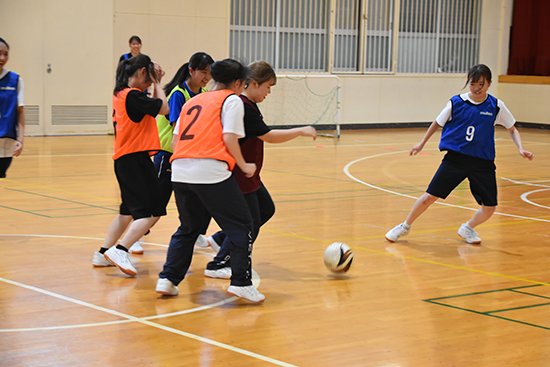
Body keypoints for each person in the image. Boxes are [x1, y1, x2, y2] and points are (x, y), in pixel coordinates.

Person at [385, 64, 534, 245]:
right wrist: (421, 143)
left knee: (490, 207)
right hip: (456, 160)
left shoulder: (496, 106)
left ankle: (468, 228)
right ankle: (404, 226)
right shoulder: (456, 103)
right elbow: (437, 123)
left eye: (481, 84)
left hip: (482, 162)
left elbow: (512, 129)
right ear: (468, 83)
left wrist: (520, 148)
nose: (477, 88)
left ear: (489, 84)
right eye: (473, 84)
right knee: (429, 196)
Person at [155, 58, 265, 303]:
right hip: (210, 170)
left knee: (188, 228)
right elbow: (229, 137)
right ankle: (241, 283)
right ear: (238, 83)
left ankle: (168, 278)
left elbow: (175, 141)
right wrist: (243, 164)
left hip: (181, 170)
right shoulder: (232, 100)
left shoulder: (193, 100)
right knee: (242, 225)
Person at [203, 61, 317, 279]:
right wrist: (300, 131)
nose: (268, 92)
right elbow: (268, 135)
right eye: (268, 87)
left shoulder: (248, 105)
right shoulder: (243, 106)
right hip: (240, 175)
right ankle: (221, 263)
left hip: (250, 177)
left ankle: (220, 240)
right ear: (253, 84)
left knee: (266, 208)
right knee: (250, 223)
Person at [128, 52, 215, 255]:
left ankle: (196, 234)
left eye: (209, 73)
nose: (206, 77)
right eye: (203, 72)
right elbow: (178, 128)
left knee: (198, 198)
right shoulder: (178, 94)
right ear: (191, 70)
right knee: (156, 201)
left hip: (187, 155)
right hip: (167, 154)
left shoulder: (202, 93)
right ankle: (134, 236)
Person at [92, 54, 169, 276]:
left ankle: (102, 252)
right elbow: (163, 108)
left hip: (124, 160)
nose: (149, 84)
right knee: (153, 210)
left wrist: (152, 83)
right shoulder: (134, 97)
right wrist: (158, 83)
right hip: (135, 160)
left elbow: (154, 106)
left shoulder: (120, 94)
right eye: (148, 77)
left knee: (127, 211)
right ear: (144, 73)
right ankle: (121, 249)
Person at [0, 37, 25, 178]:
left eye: (6, 54)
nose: (2, 58)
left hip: (6, 142)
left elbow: (20, 111)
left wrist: (20, 140)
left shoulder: (15, 80)